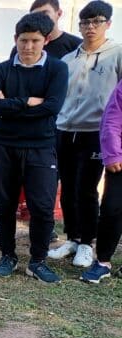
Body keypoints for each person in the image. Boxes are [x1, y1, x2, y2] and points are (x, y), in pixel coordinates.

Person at [0, 12, 69, 282]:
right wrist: (28, 101)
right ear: (15, 39)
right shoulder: (0, 70)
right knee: (5, 205)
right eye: (23, 40)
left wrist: (8, 105)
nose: (28, 47)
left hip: (41, 147)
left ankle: (38, 260)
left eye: (34, 40)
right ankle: (7, 256)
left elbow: (53, 107)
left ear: (45, 40)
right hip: (3, 146)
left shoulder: (57, 69)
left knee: (42, 207)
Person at [48, 1, 122, 267]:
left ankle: (87, 244)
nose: (90, 28)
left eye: (97, 22)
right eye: (85, 23)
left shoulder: (117, 54)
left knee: (87, 188)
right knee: (67, 188)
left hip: (97, 133)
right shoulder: (70, 58)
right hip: (66, 129)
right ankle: (73, 237)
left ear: (108, 24)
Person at [81, 76, 122, 282]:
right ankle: (103, 261)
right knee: (111, 209)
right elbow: (112, 119)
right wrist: (113, 153)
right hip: (120, 161)